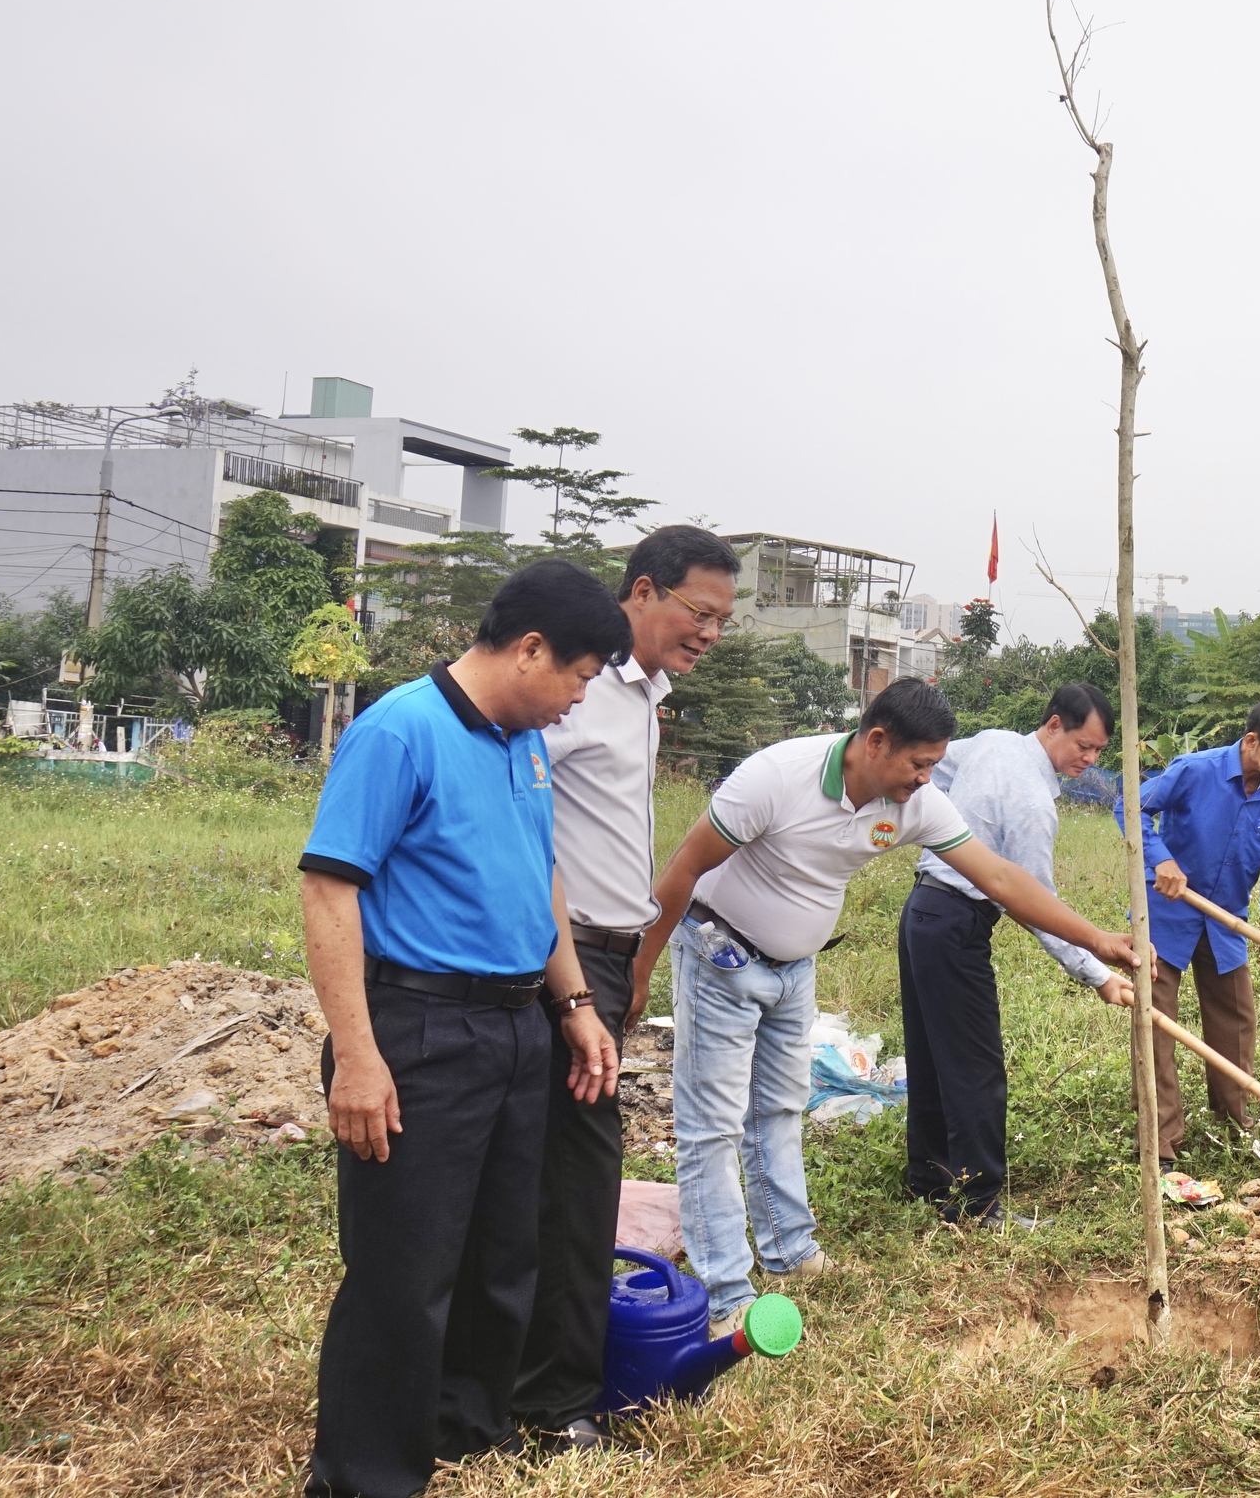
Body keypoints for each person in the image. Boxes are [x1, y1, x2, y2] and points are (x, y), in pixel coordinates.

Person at [642, 677, 1138, 1333]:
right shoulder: (775, 777)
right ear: (876, 742)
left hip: (793, 969)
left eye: (935, 765)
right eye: (920, 764)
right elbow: (681, 868)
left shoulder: (915, 803)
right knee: (713, 1126)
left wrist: (1097, 940)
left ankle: (790, 1252)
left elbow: (1000, 878)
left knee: (780, 1108)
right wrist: (637, 971)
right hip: (719, 957)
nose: (928, 780)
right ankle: (730, 1292)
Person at [296, 560, 629, 1498]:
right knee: (405, 1272)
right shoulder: (400, 731)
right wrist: (358, 1057)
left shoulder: (519, 741)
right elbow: (329, 889)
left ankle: (466, 1433)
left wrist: (572, 1005)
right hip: (421, 1028)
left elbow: (541, 877)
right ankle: (366, 1476)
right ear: (529, 649)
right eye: (576, 677)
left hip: (517, 1025)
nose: (574, 702)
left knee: (500, 1256)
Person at [513, 525, 740, 1450]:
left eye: (722, 620)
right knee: (571, 1180)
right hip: (554, 958)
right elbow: (525, 829)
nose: (709, 633)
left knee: (564, 1170)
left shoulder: (645, 694)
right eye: (698, 612)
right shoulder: (576, 690)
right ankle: (555, 1405)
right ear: (641, 592)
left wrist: (634, 963)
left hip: (606, 955)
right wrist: (574, 989)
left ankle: (540, 1377)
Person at [898, 683, 1134, 1223]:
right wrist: (1097, 973)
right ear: (1054, 725)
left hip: (920, 914)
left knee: (934, 1057)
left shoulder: (994, 741)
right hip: (955, 921)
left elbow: (936, 770)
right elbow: (1035, 904)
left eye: (1099, 752)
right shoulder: (1031, 801)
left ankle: (929, 1181)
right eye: (1083, 746)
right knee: (976, 1069)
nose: (1089, 760)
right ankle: (980, 1206)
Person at [1122, 697, 1260, 1164]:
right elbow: (1131, 808)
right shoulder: (1195, 769)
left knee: (1235, 1017)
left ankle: (1233, 1117)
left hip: (1226, 919)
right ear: (1251, 741)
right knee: (1155, 1022)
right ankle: (1160, 1139)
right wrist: (1160, 858)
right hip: (1166, 915)